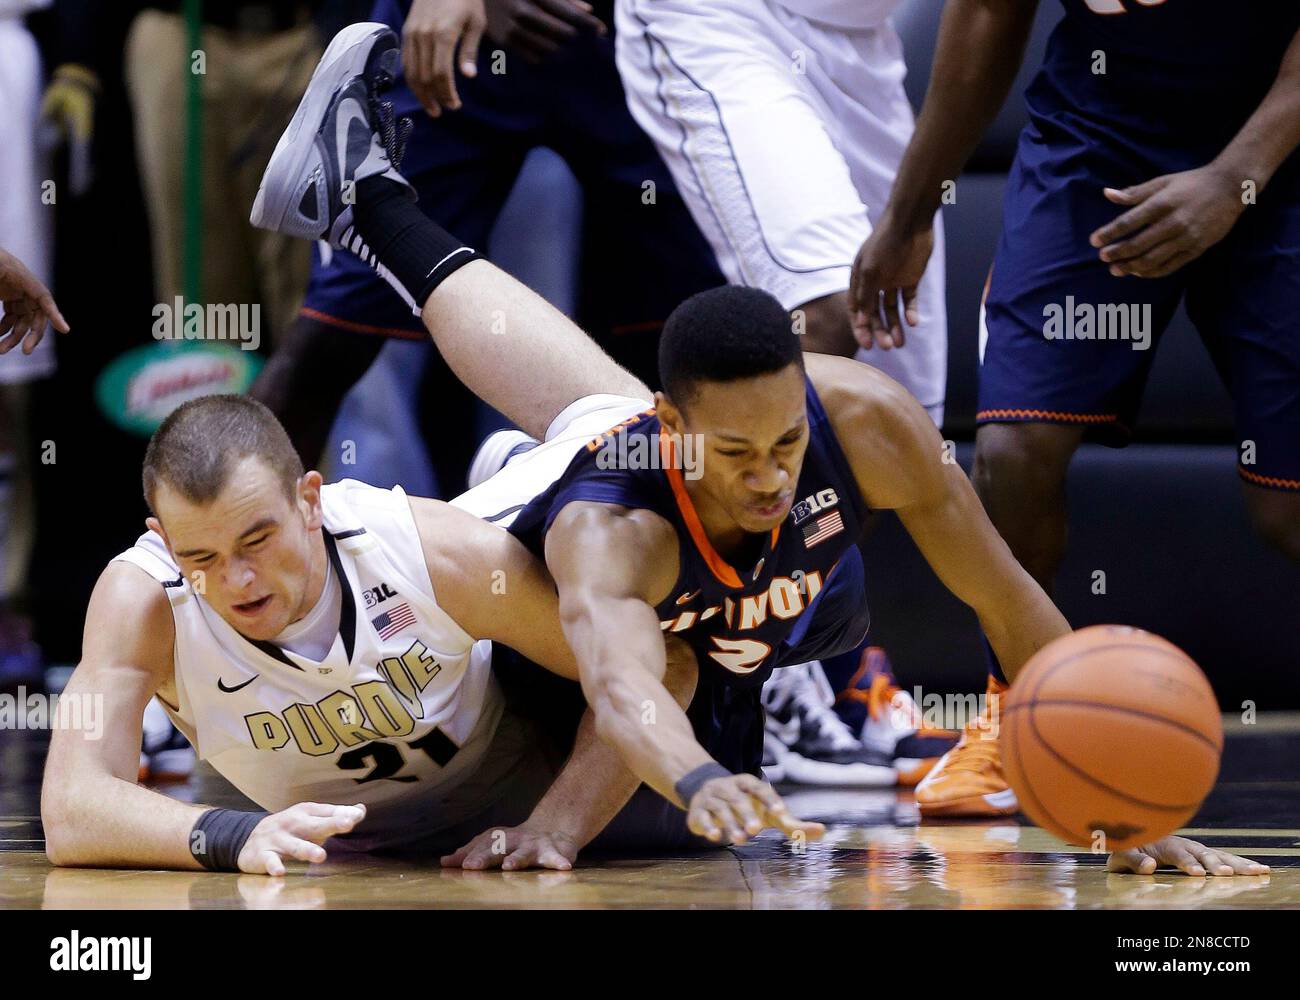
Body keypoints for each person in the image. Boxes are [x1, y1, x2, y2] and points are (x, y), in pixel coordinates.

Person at [245, 22, 1269, 876]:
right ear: (672, 428)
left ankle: (367, 202)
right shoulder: (615, 528)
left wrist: (1121, 803)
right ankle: (458, 458)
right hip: (525, 667)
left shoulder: (862, 422)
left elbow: (1005, 599)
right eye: (740, 452)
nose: (774, 472)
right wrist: (588, 814)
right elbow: (628, 687)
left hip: (730, 629)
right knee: (658, 779)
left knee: (724, 605)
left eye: (787, 437)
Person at [849, 0, 1300, 817]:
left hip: (1283, 146)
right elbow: (988, 15)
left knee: (1286, 511)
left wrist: (1235, 180)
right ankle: (1014, 717)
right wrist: (907, 215)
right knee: (1014, 454)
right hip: (1100, 141)